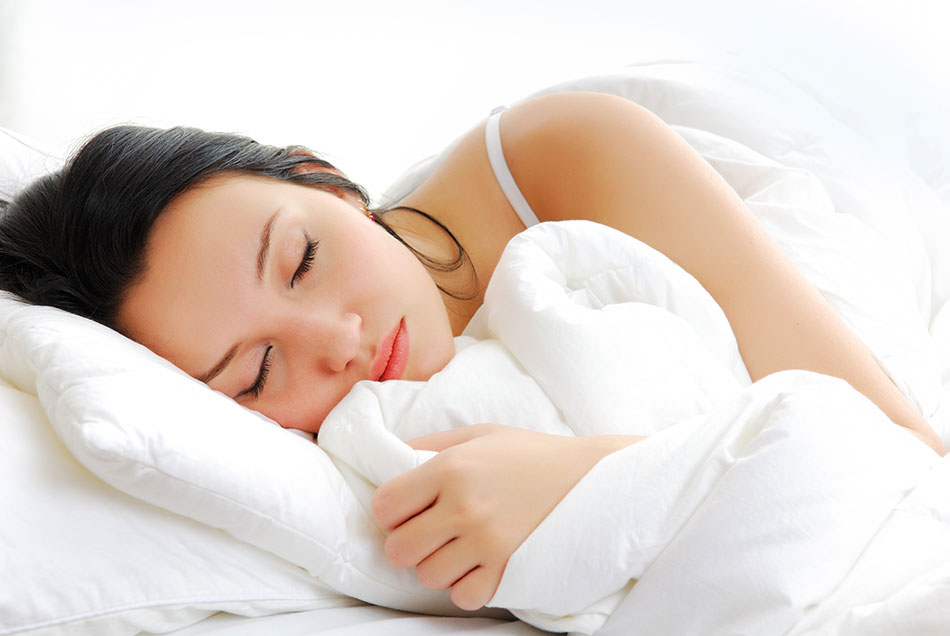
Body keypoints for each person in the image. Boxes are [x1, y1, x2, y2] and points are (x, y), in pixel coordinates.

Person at [0, 91, 944, 611]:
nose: (342, 344)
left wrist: (592, 479)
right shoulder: (357, 441)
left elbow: (899, 454)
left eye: (306, 260)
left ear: (328, 183)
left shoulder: (569, 155)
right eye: (255, 373)